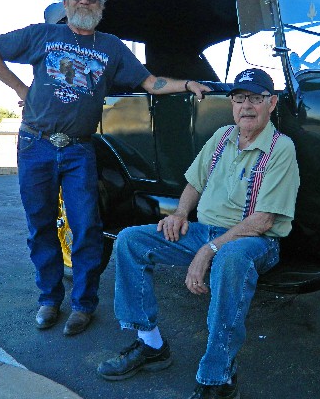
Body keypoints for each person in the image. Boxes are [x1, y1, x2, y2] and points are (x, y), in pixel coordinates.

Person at [0, 0, 210, 336]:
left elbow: (151, 84)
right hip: (35, 144)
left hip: (79, 148)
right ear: (67, 4)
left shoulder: (112, 47)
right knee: (40, 226)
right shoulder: (44, 35)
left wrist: (187, 84)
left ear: (100, 8)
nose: (84, 1)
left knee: (87, 227)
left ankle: (83, 305)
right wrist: (22, 87)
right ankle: (49, 299)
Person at [97, 68, 300, 398]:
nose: (246, 106)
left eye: (255, 98)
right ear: (232, 103)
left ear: (271, 103)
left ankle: (217, 376)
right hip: (204, 231)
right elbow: (194, 182)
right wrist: (179, 214)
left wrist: (210, 250)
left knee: (229, 260)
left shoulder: (281, 149)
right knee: (131, 240)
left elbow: (264, 220)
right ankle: (150, 346)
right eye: (239, 97)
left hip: (254, 241)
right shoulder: (222, 136)